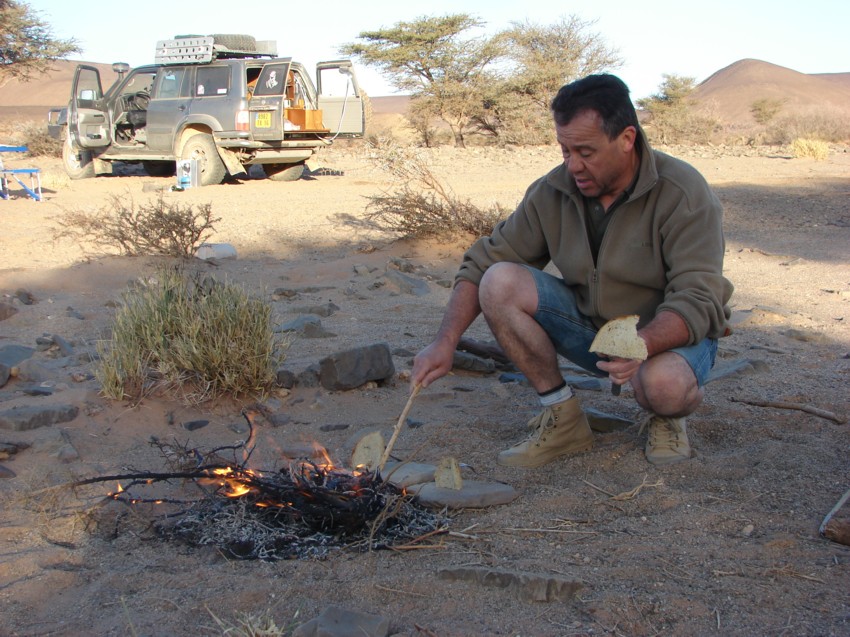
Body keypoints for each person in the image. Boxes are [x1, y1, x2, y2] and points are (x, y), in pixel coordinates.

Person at [411, 74, 733, 468]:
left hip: (666, 338)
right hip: (594, 333)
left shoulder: (683, 192)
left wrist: (641, 345)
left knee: (663, 387)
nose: (573, 166)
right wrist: (445, 341)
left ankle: (669, 418)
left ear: (627, 139)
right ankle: (563, 418)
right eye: (565, 150)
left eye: (586, 152)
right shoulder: (554, 190)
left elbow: (699, 298)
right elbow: (484, 262)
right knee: (499, 281)